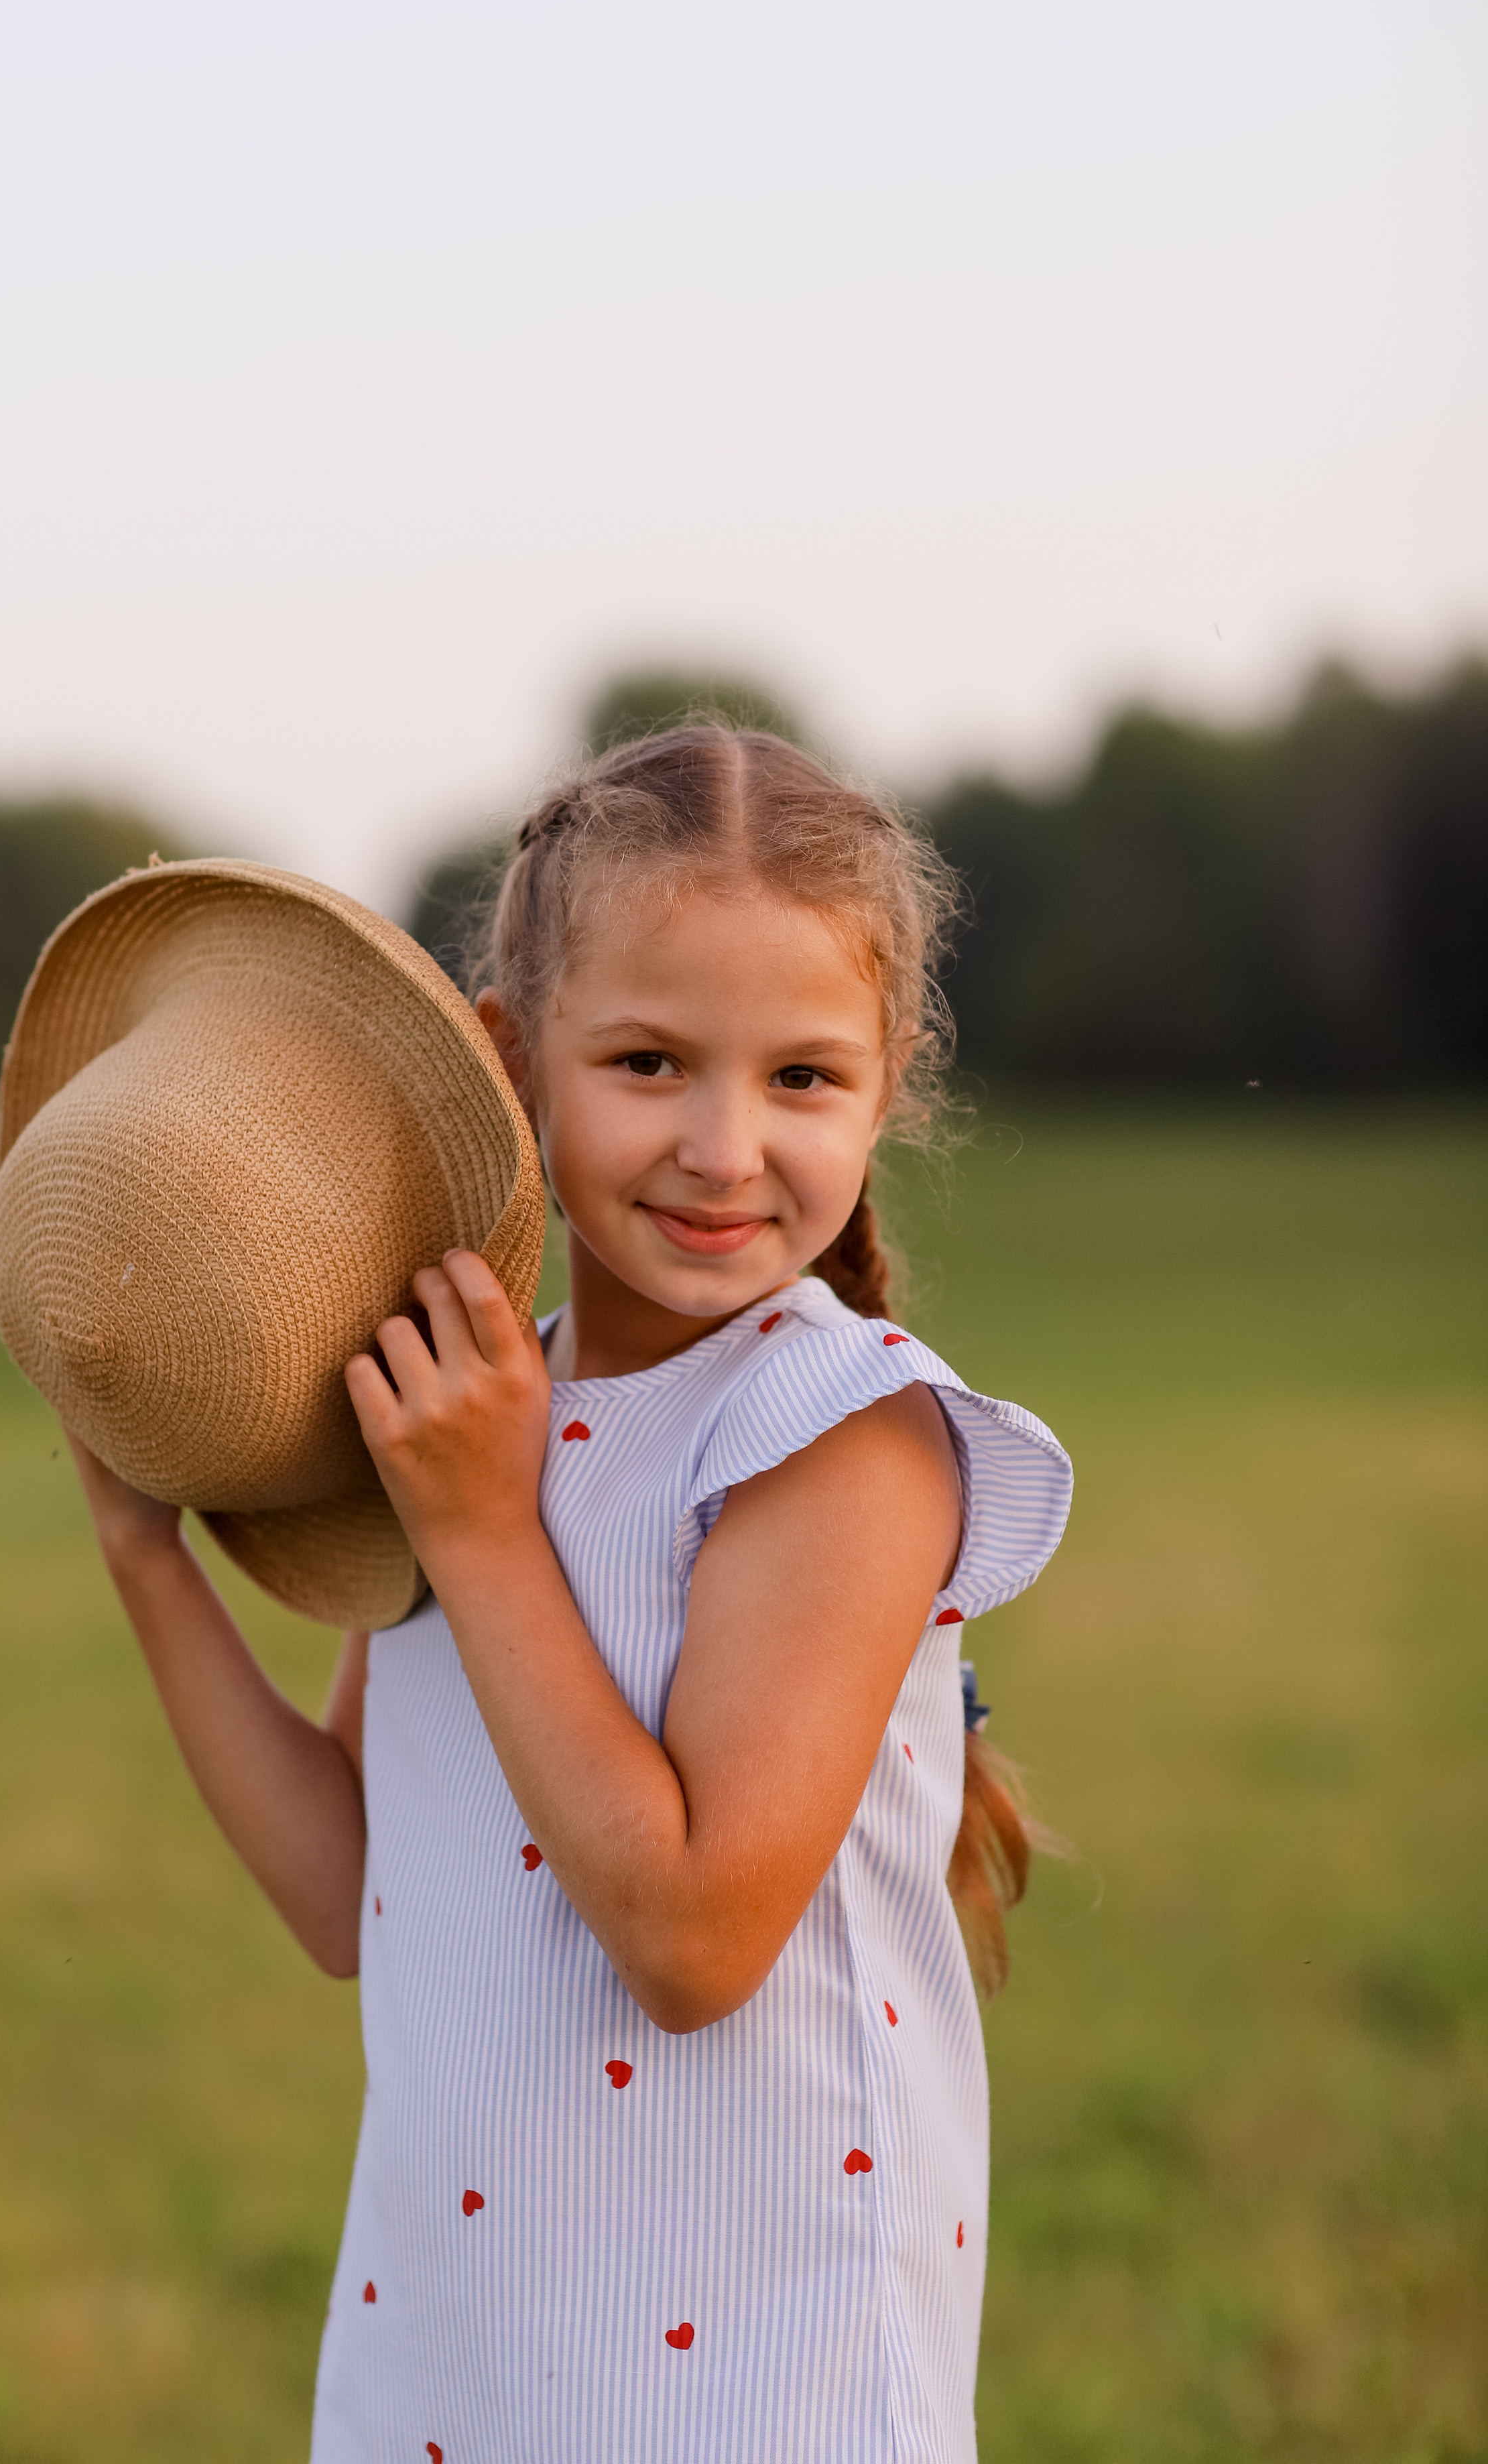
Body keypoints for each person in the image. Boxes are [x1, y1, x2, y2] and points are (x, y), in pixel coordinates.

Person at [68, 724, 1073, 2463]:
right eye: (649, 1061)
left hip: (756, 2377)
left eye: (803, 1077)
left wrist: (479, 1532)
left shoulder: (840, 1438)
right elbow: (353, 1893)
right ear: (510, 1054)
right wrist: (149, 1561)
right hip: (464, 2352)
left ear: (888, 1080)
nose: (724, 1146)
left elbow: (692, 1942)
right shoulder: (469, 1412)